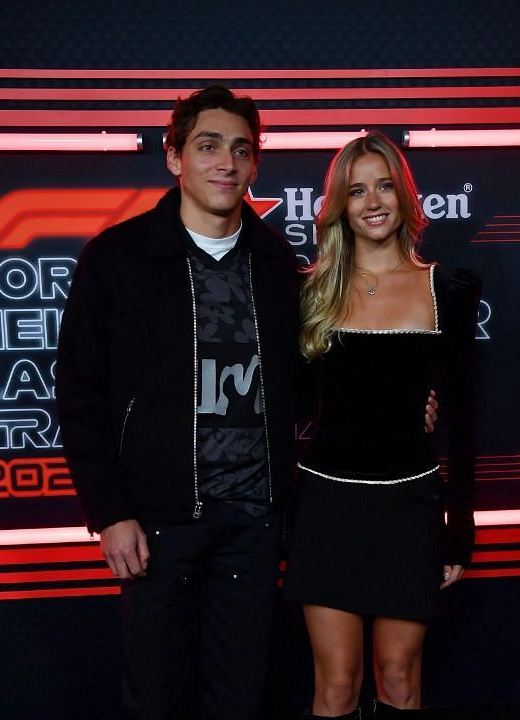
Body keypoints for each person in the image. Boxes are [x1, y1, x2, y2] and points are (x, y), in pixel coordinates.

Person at [55, 85, 300, 719]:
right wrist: (109, 511)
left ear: (255, 165)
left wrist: (407, 405)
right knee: (157, 701)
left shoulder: (277, 262)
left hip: (254, 521)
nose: (226, 162)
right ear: (174, 158)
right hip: (159, 523)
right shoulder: (118, 257)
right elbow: (80, 394)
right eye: (208, 146)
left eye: (241, 150)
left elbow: (309, 380)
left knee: (242, 700)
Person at [282, 132, 479, 719]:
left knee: (398, 680)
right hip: (325, 506)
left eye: (385, 186)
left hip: (408, 506)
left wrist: (459, 523)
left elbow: (464, 419)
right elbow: (288, 404)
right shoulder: (308, 291)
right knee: (337, 684)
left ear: (405, 197)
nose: (373, 201)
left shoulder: (448, 289)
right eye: (357, 189)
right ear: (339, 204)